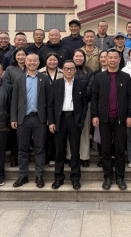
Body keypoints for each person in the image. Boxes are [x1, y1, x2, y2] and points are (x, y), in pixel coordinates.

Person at [91, 48, 131, 191]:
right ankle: (108, 176)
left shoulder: (125, 77)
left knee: (120, 148)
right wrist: (95, 115)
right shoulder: (99, 77)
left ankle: (120, 177)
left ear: (119, 59)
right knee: (105, 148)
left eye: (115, 57)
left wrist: (130, 115)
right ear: (105, 59)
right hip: (104, 119)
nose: (112, 60)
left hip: (121, 119)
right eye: (110, 57)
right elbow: (94, 97)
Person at [11, 54, 52, 188]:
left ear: (39, 63)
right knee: (22, 149)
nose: (32, 63)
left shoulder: (44, 78)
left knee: (40, 149)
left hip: (40, 119)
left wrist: (49, 118)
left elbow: (49, 100)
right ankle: (23, 175)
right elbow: (14, 100)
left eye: (35, 61)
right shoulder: (19, 79)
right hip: (23, 119)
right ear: (25, 62)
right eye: (30, 60)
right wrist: (13, 118)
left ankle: (39, 176)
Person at [49, 60, 89, 190]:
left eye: (71, 68)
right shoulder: (56, 84)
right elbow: (51, 104)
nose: (69, 71)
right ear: (63, 70)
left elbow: (84, 104)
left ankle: (75, 178)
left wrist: (81, 118)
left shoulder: (81, 84)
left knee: (75, 151)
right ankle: (58, 178)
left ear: (75, 70)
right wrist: (52, 121)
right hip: (60, 120)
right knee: (59, 151)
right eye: (66, 68)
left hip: (74, 120)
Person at [67, 49, 95, 167]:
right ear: (73, 57)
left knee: (84, 131)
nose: (79, 58)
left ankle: (84, 157)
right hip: (69, 106)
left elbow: (89, 89)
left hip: (84, 105)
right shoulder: (67, 70)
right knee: (70, 132)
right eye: (76, 56)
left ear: (84, 58)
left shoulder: (89, 72)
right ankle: (71, 156)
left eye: (81, 56)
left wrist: (78, 98)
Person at [39, 53, 63, 166]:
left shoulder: (63, 72)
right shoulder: (40, 72)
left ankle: (54, 156)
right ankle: (44, 157)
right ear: (46, 61)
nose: (52, 62)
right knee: (43, 134)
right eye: (50, 60)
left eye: (54, 60)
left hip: (58, 106)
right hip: (43, 105)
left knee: (55, 133)